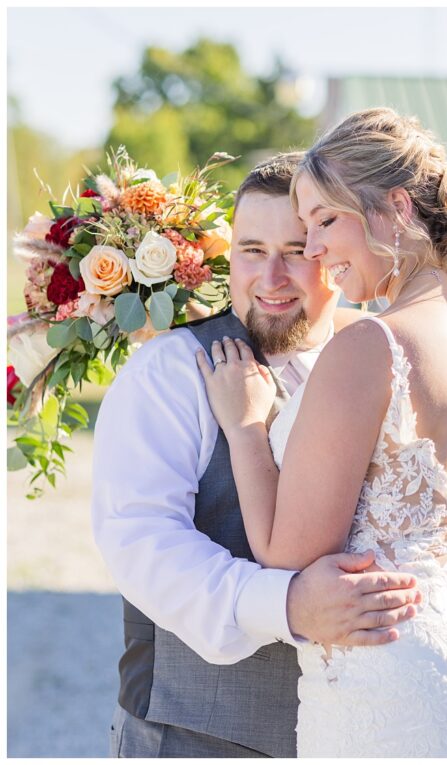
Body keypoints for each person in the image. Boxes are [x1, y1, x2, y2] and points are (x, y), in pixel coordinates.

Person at [197, 108, 447, 757]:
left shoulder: (372, 345)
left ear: (395, 206)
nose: (312, 251)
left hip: (388, 693)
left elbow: (289, 559)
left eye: (324, 221)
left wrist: (248, 427)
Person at [92, 153, 422, 758]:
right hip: (197, 733)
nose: (270, 277)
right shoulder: (171, 371)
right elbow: (139, 538)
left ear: (334, 252)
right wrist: (287, 604)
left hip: (366, 730)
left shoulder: (380, 359)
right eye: (251, 249)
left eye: (296, 250)